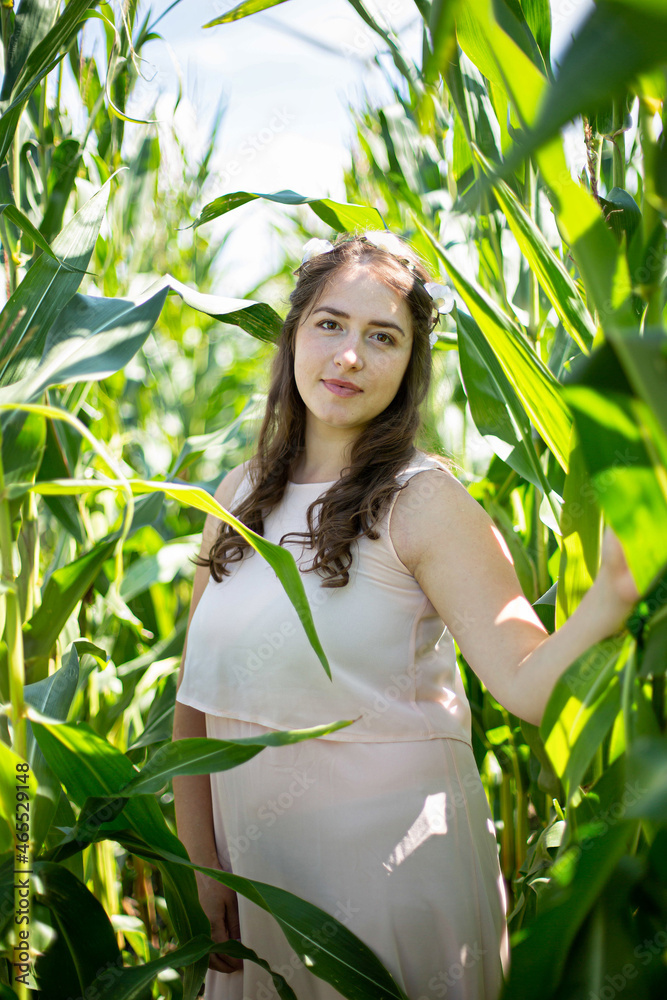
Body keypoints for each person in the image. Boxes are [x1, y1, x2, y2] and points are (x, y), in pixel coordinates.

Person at [172, 230, 640, 1000]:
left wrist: (612, 592)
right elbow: (196, 694)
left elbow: (525, 686)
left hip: (390, 888)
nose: (349, 356)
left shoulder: (422, 502)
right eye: (330, 324)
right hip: (259, 889)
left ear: (409, 365)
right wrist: (201, 864)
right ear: (293, 333)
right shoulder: (234, 492)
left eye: (381, 337)